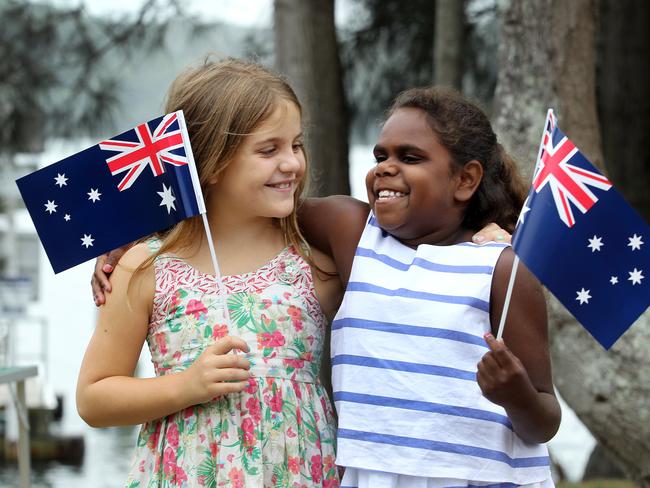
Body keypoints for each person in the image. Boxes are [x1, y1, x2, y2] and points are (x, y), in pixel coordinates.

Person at [76, 58, 343, 487]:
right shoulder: (146, 267)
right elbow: (94, 397)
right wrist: (187, 385)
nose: (292, 163)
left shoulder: (316, 262)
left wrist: (488, 228)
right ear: (212, 163)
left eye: (296, 144)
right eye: (268, 149)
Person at [300, 86, 562, 487]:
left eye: (409, 157)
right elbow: (268, 208)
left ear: (465, 179)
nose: (385, 168)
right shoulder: (352, 232)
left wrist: (516, 393)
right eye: (380, 156)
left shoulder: (501, 268)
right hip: (375, 476)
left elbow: (543, 421)